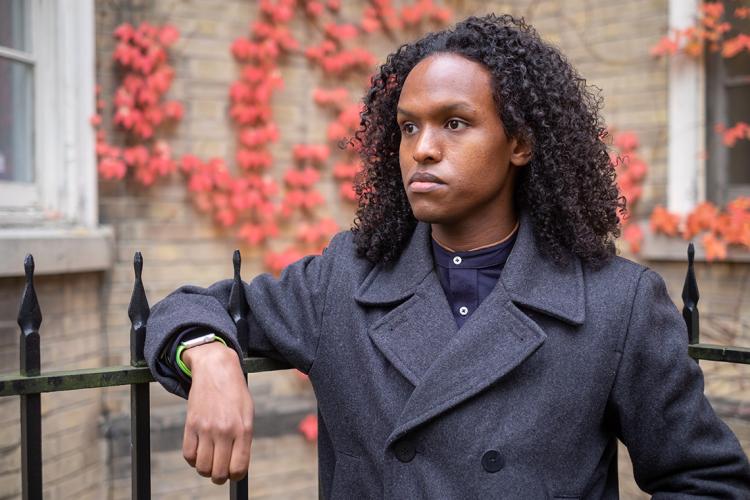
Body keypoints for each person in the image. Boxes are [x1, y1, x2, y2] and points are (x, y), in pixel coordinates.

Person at [145, 14, 750, 498]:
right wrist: (210, 356)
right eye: (408, 128)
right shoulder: (344, 279)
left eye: (454, 124)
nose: (423, 150)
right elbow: (188, 309)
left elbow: (705, 481)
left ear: (519, 142)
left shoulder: (616, 304)